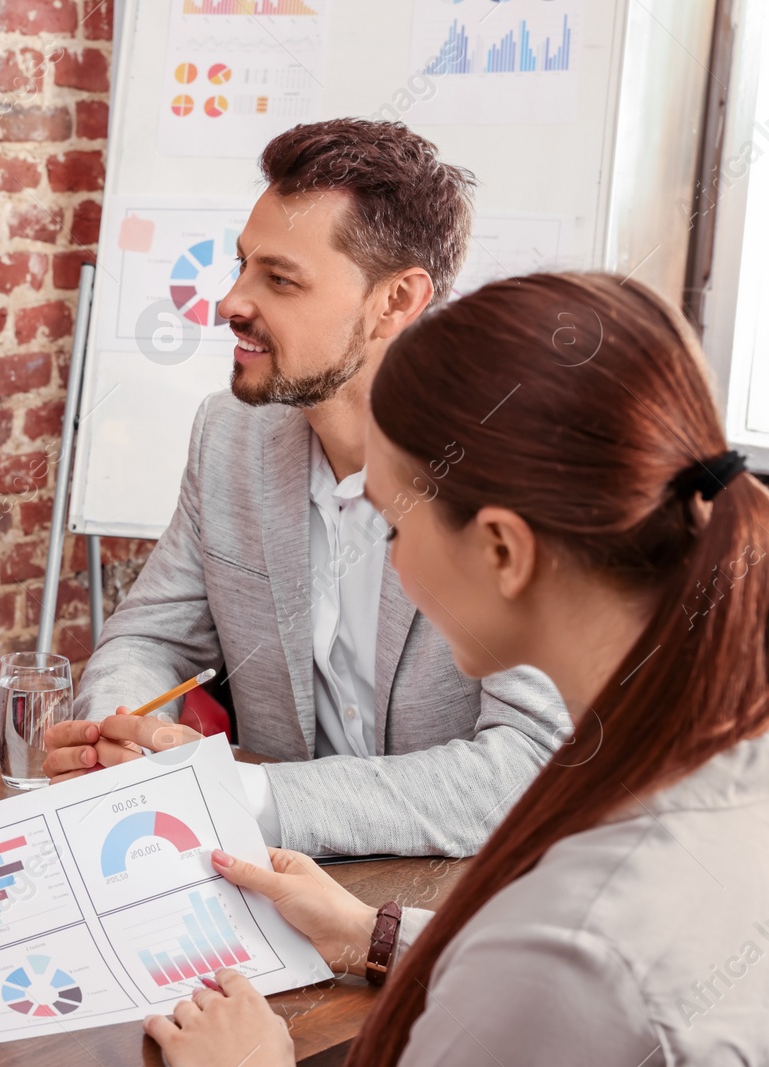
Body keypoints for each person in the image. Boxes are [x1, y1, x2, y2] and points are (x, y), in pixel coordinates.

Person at [143, 272, 769, 1065]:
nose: (389, 560)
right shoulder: (715, 760)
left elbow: (551, 980)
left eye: (392, 522)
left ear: (503, 550)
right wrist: (373, 933)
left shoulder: (567, 946)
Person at [45, 119, 564, 858]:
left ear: (396, 301)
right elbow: (150, 636)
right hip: (267, 892)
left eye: (280, 279)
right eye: (242, 265)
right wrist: (127, 737)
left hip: (452, 911)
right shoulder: (229, 436)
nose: (230, 301)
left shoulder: (510, 464)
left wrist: (244, 797)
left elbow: (529, 768)